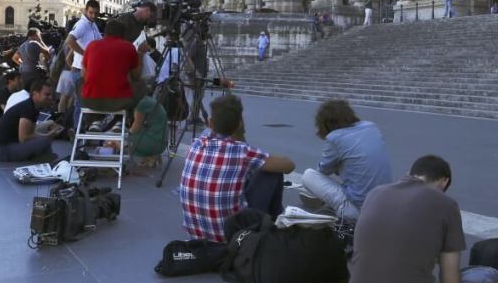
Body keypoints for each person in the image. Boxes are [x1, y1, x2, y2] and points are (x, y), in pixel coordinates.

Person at [348, 155, 498, 283]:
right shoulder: (446, 204)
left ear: (409, 174)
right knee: (489, 276)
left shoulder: (376, 193)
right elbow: (450, 281)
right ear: (444, 181)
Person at [179, 94, 295, 243]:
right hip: (233, 240)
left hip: (196, 238)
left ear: (210, 123)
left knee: (240, 174)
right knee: (272, 173)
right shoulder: (242, 151)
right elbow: (289, 166)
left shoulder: (196, 144)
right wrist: (240, 133)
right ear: (240, 123)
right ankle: (273, 229)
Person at [301, 99, 392, 221]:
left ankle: (340, 208)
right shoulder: (371, 126)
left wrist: (338, 165)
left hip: (358, 211)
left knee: (309, 175)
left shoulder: (335, 138)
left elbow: (323, 170)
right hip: (384, 204)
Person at [0, 80, 64, 162]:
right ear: (35, 94)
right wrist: (49, 135)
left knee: (46, 131)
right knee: (45, 139)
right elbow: (24, 137)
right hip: (4, 151)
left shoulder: (33, 107)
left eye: (52, 95)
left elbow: (31, 131)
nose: (50, 98)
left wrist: (49, 131)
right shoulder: (27, 108)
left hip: (8, 146)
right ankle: (43, 157)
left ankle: (44, 156)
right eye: (47, 95)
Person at [81, 19, 142, 114]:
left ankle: (94, 121)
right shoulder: (129, 47)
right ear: (123, 34)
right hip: (119, 102)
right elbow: (136, 76)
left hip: (90, 101)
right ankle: (122, 120)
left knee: (79, 83)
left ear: (105, 32)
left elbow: (83, 74)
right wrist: (140, 55)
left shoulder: (92, 45)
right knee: (142, 85)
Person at [64, 0, 102, 127]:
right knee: (81, 104)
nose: (93, 16)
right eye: (91, 13)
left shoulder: (93, 24)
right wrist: (85, 53)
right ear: (86, 10)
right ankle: (77, 133)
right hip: (81, 71)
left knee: (85, 104)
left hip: (85, 70)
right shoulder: (83, 25)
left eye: (96, 13)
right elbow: (69, 40)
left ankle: (82, 132)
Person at [128, 93, 168, 168]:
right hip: (161, 141)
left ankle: (149, 154)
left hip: (155, 142)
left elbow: (136, 128)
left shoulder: (140, 104)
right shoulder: (148, 100)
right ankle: (150, 156)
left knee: (120, 140)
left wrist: (126, 134)